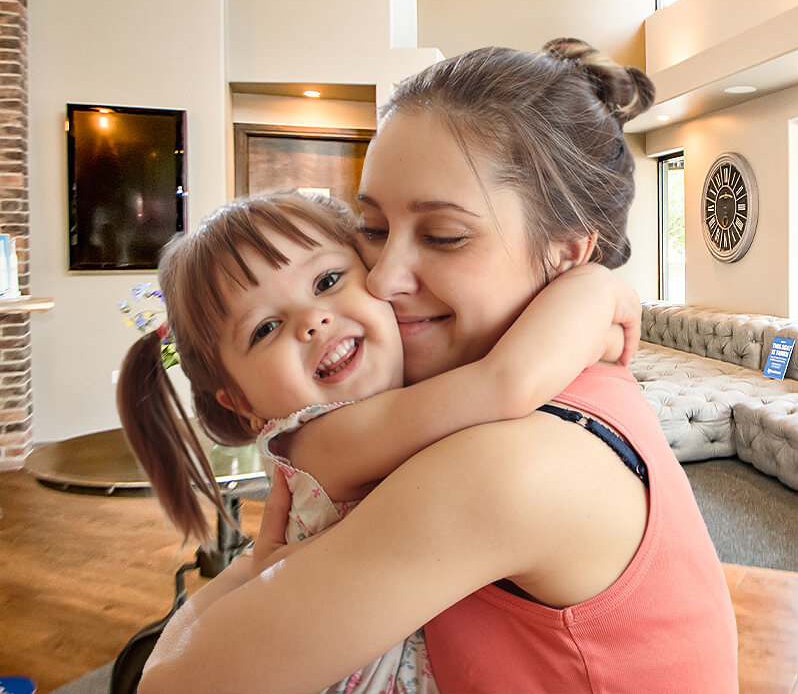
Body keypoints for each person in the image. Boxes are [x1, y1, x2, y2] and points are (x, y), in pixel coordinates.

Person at [137, 39, 740, 694]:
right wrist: (589, 291)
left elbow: (172, 681)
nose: (386, 277)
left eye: (443, 235)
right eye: (371, 227)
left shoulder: (508, 464)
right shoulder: (551, 386)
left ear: (568, 252)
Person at [118, 189, 639, 694]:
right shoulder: (323, 437)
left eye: (326, 280)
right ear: (241, 402)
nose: (312, 321)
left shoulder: (405, 404)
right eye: (265, 329)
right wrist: (594, 289)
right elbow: (504, 383)